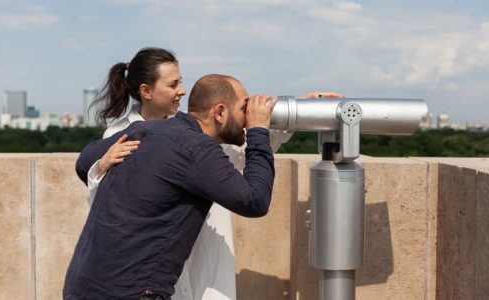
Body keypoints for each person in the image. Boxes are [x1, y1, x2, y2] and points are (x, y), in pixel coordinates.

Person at [84, 47, 343, 300]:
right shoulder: (121, 136)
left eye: (181, 82)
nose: (181, 91)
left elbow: (241, 149)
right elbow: (107, 204)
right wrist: (99, 166)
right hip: (146, 267)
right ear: (146, 91)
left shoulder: (194, 130)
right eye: (173, 85)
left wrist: (301, 109)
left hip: (201, 254)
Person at [64, 74, 277, 299]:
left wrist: (104, 161)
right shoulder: (198, 149)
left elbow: (84, 162)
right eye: (245, 107)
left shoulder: (145, 130)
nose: (247, 117)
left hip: (82, 286)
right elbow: (255, 201)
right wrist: (258, 132)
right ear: (220, 112)